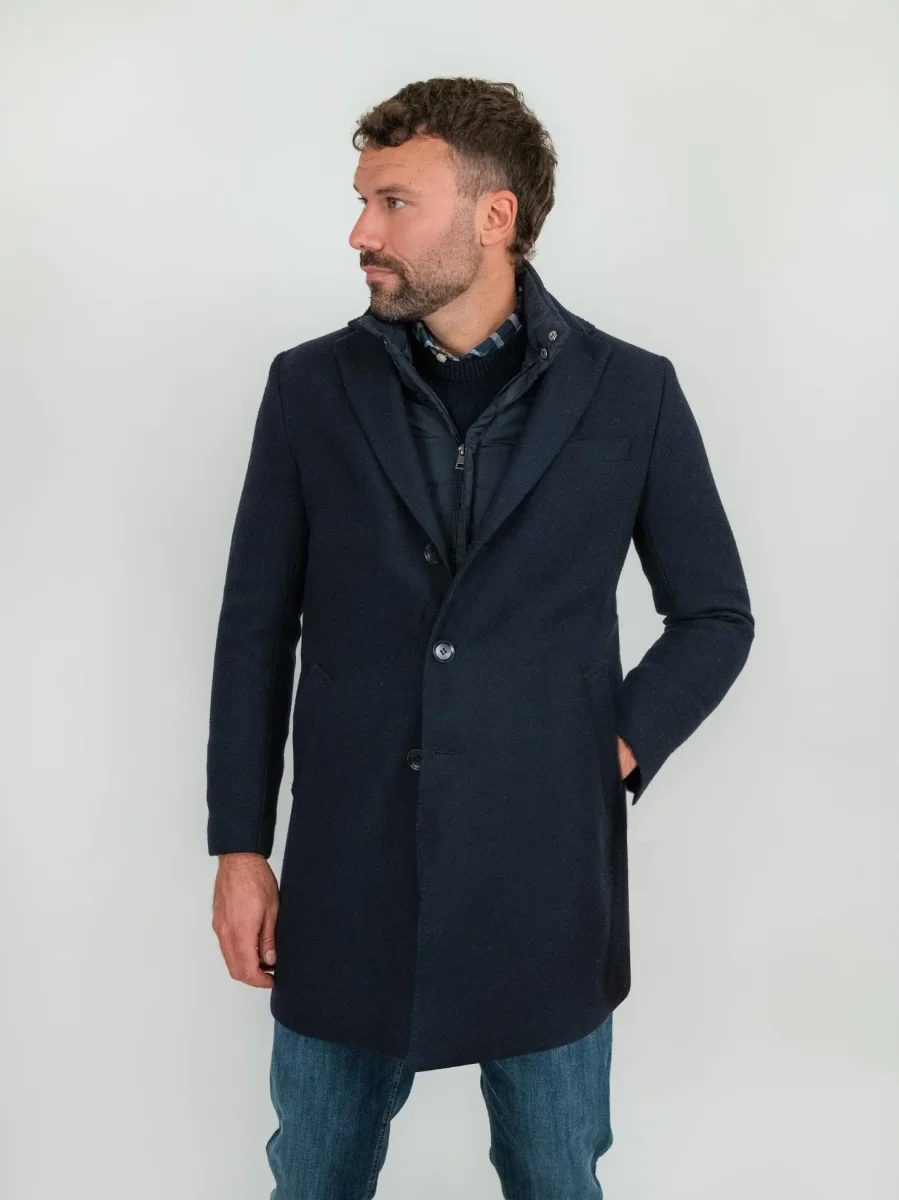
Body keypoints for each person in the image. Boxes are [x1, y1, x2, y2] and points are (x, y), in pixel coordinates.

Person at [206, 76, 755, 1199]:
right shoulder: (309, 388)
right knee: (313, 1174)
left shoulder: (631, 393)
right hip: (348, 876)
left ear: (492, 216)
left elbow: (713, 616)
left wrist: (607, 749)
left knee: (554, 1174)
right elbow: (256, 630)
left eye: (393, 203)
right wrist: (239, 847)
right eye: (362, 200)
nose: (360, 232)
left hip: (544, 883)